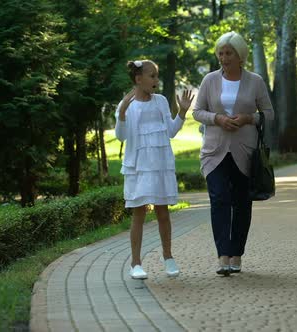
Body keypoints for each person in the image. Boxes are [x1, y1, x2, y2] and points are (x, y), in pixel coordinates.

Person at [192, 32, 274, 276]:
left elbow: (269, 114)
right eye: (221, 53)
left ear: (240, 56)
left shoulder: (255, 81)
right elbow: (197, 112)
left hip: (244, 152)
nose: (223, 58)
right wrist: (217, 118)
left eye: (229, 53)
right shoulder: (209, 80)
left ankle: (237, 252)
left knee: (241, 202)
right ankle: (223, 256)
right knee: (219, 200)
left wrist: (249, 118)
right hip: (214, 151)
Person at [115, 59, 194, 279]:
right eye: (152, 76)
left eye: (157, 76)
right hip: (139, 166)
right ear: (139, 79)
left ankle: (168, 257)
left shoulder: (160, 101)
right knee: (139, 212)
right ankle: (135, 263)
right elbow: (121, 136)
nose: (156, 81)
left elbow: (170, 131)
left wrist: (182, 112)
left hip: (159, 164)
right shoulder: (127, 105)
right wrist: (122, 112)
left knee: (163, 212)